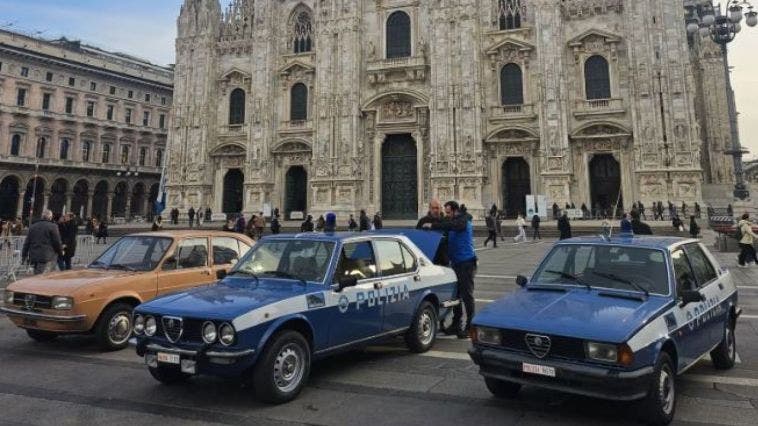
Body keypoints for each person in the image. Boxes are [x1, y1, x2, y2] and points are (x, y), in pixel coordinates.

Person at [423, 201, 476, 339]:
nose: (446, 215)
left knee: (467, 295)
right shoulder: (454, 221)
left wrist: (433, 225)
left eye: (448, 212)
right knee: (456, 295)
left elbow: (454, 225)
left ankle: (470, 327)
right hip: (456, 263)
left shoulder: (462, 221)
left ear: (454, 211)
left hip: (466, 263)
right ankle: (456, 324)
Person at [22, 210, 63, 275]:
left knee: (37, 274)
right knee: (43, 276)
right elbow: (57, 242)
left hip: (34, 255)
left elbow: (27, 242)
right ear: (50, 217)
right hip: (47, 256)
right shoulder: (53, 226)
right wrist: (61, 253)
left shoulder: (33, 226)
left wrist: (23, 255)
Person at [417, 199, 449, 266]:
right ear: (429, 208)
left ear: (441, 208)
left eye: (437, 208)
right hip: (429, 256)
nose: (435, 210)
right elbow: (417, 237)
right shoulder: (423, 221)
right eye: (433, 208)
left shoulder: (446, 221)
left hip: (444, 257)